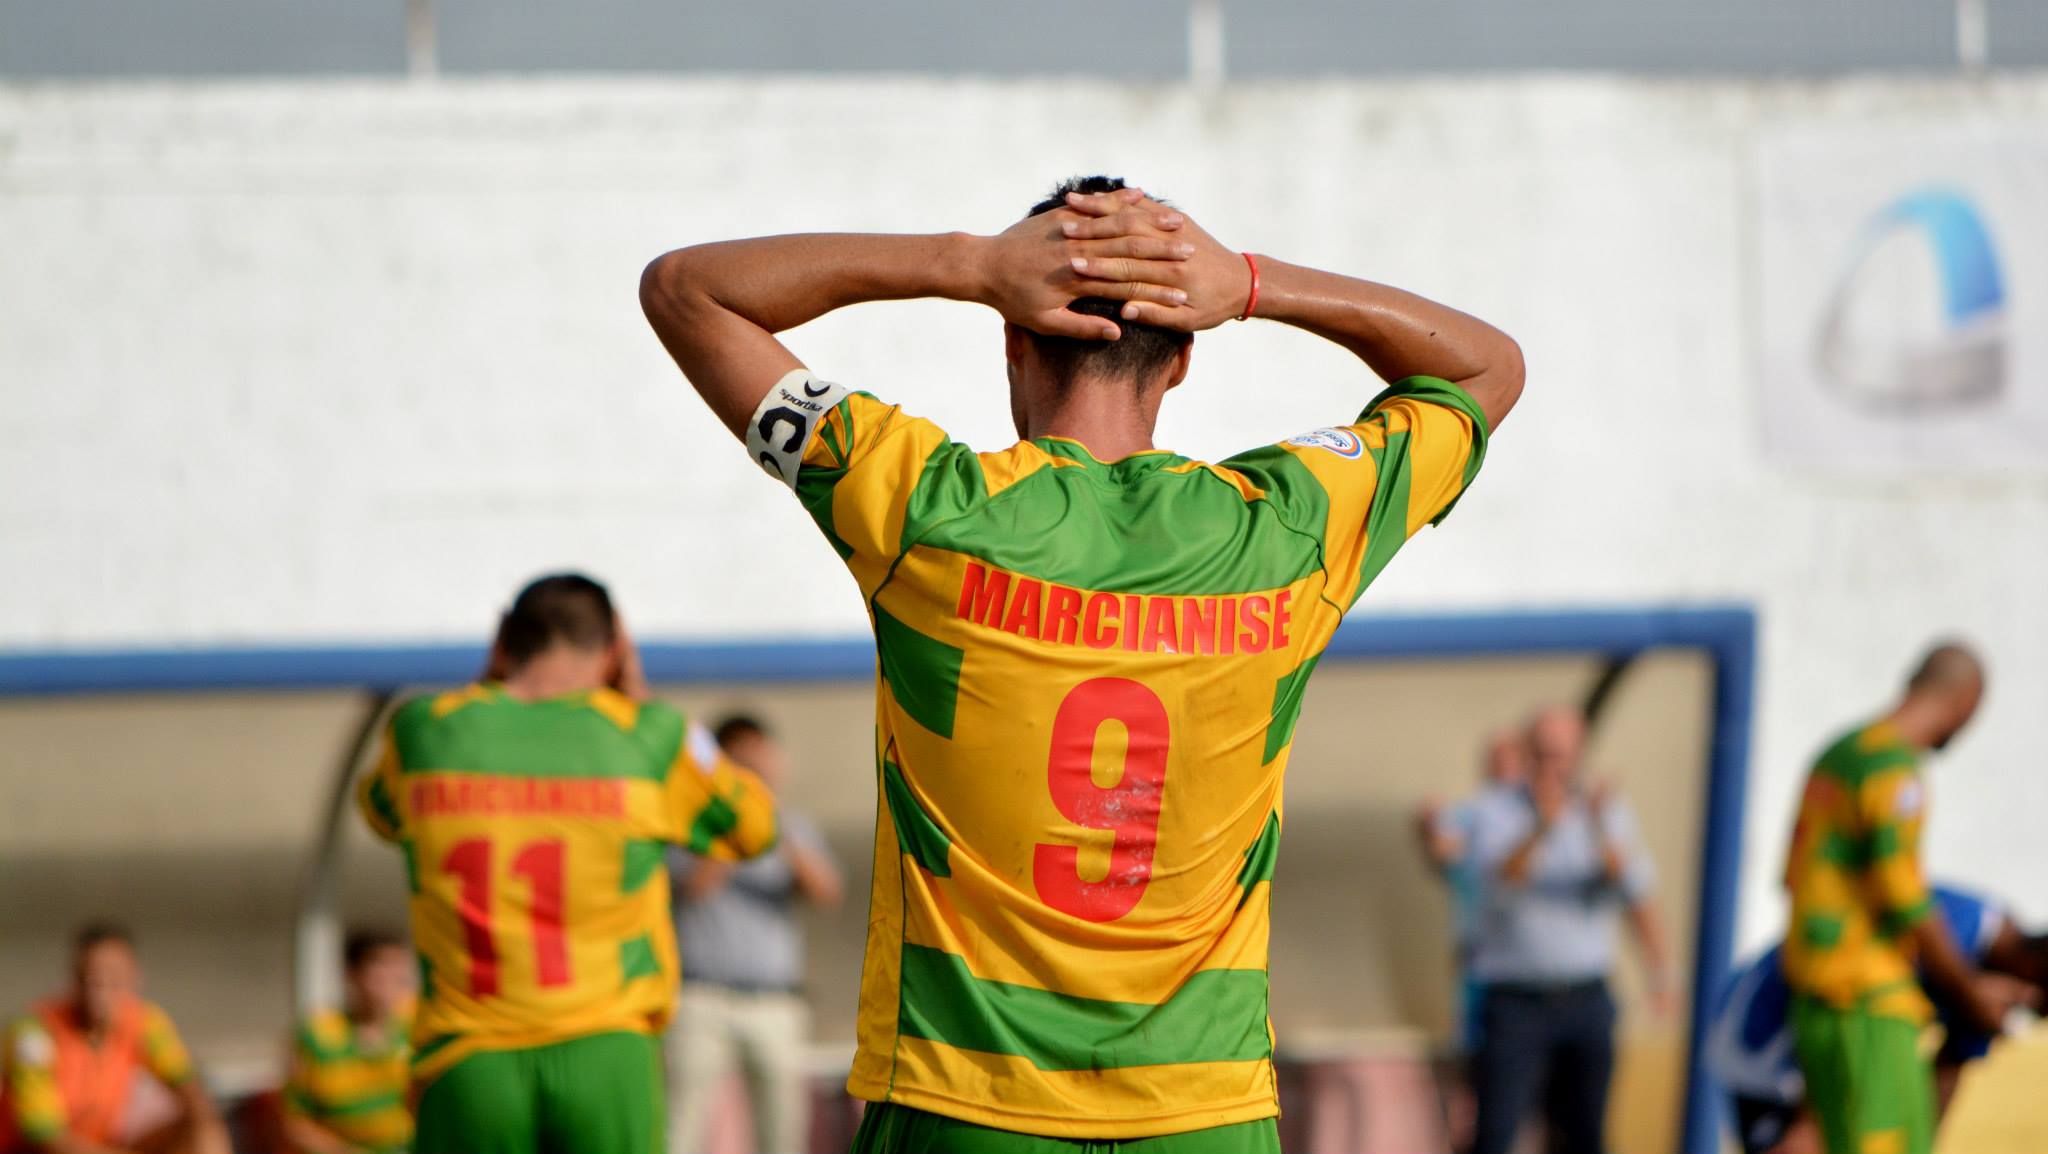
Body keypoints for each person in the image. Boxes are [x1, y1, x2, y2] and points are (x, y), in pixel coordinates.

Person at [641, 175, 1522, 1152]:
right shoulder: (1284, 530)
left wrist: (964, 264)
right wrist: (1254, 284)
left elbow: (687, 290)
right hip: (1204, 1113)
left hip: (962, 1102)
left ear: (1012, 335)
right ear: (1182, 355)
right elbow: (1486, 368)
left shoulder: (925, 511)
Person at [354, 573, 778, 1154]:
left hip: (469, 1059)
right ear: (616, 648)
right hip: (605, 1052)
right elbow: (756, 827)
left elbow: (379, 812)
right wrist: (645, 704)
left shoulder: (424, 729)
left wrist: (482, 695)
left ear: (504, 641)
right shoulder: (650, 737)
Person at [1780, 642, 2035, 1154]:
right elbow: (1909, 902)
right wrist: (1968, 997)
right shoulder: (1895, 774)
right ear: (1965, 702)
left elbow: (1790, 877)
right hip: (1869, 1004)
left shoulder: (1840, 754)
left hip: (1814, 996)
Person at [1461, 705, 1673, 1154]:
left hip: (1586, 999)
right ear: (1526, 754)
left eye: (1563, 755)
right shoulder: (1495, 808)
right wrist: (1542, 825)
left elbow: (1633, 891)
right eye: (1542, 754)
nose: (1553, 767)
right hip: (1515, 1002)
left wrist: (1662, 974)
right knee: (1497, 1132)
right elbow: (1498, 886)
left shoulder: (1604, 812)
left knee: (1584, 1133)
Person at [1708, 884, 2045, 1154]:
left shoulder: (1987, 997)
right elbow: (1843, 1007)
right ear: (2035, 968)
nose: (2021, 1013)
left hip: (1829, 1079)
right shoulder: (1950, 922)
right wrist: (1814, 1120)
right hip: (1770, 1042)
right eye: (2036, 1006)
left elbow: (1946, 1077)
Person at [665, 715, 843, 1154]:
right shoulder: (688, 825)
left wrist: (769, 827)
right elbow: (693, 889)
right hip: (699, 999)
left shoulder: (791, 825)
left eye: (760, 756)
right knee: (680, 1126)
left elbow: (826, 892)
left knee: (781, 1130)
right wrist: (737, 827)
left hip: (773, 1001)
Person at [0, 923, 230, 1154]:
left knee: (205, 1132)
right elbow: (43, 1136)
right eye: (90, 976)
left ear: (135, 977)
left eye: (113, 976)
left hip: (103, 1145)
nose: (100, 987)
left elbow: (192, 1095)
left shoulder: (144, 1023)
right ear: (74, 978)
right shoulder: (34, 1033)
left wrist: (202, 1123)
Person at [280, 930, 415, 1154]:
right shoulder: (318, 1036)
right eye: (380, 967)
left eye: (398, 968)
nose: (392, 979)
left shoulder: (419, 1024)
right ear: (352, 974)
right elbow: (296, 1123)